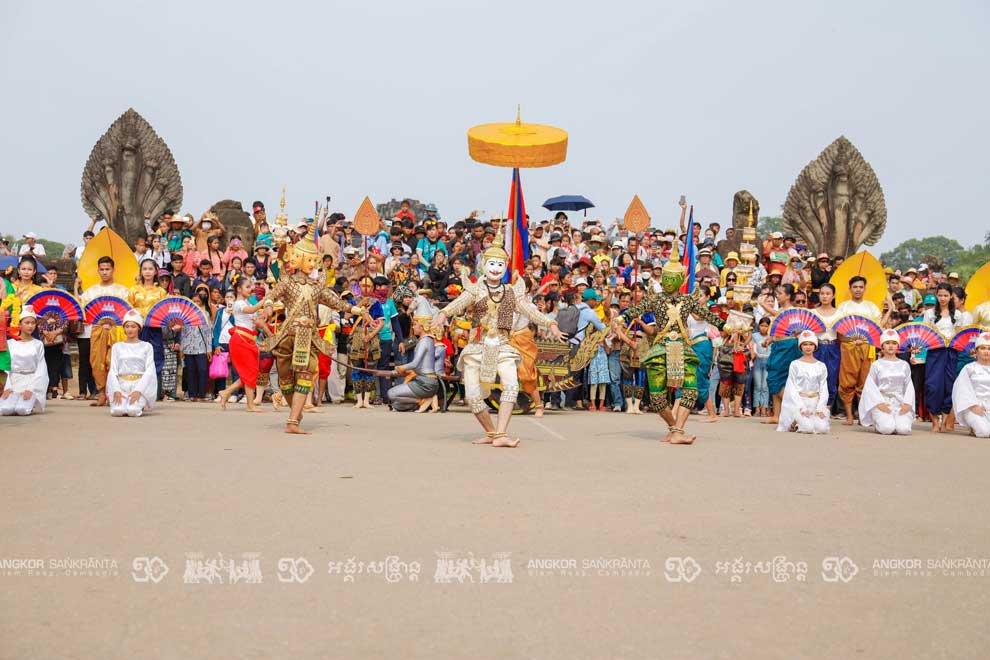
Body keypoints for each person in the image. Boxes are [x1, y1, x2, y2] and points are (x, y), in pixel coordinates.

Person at [431, 227, 563, 448]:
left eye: (500, 264)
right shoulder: (475, 290)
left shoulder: (511, 292)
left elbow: (530, 311)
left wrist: (551, 323)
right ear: (484, 265)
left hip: (503, 346)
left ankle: (502, 433)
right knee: (473, 397)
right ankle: (492, 433)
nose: (495, 268)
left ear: (505, 268)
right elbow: (459, 303)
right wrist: (443, 313)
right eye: (492, 263)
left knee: (511, 386)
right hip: (477, 346)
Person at [258, 217, 369, 434]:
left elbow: (336, 302)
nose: (312, 264)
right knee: (286, 380)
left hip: (307, 337)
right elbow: (271, 296)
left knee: (306, 374)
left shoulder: (317, 287)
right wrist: (268, 307)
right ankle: (294, 414)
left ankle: (292, 421)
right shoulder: (287, 282)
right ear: (298, 259)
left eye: (314, 261)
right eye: (309, 260)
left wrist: (358, 310)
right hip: (288, 334)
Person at [620, 242, 726, 445]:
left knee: (690, 390)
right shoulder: (655, 298)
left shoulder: (688, 300)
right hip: (661, 347)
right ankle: (674, 429)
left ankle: (677, 431)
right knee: (657, 395)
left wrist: (727, 326)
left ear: (680, 280)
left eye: (672, 278)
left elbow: (706, 315)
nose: (668, 282)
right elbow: (635, 310)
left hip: (684, 348)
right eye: (665, 278)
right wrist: (619, 319)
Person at [78, 256, 130, 406]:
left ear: (113, 270)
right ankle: (101, 393)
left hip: (117, 331)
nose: (105, 272)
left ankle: (114, 393)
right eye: (102, 269)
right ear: (98, 270)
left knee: (114, 362)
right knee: (97, 362)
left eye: (108, 269)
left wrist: (114, 324)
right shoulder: (91, 292)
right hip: (97, 331)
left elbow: (126, 312)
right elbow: (84, 312)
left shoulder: (122, 291)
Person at [836, 276, 883, 425]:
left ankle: (863, 416)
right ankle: (849, 416)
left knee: (865, 381)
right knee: (847, 380)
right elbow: (838, 330)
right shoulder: (843, 307)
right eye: (855, 287)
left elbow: (877, 327)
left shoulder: (871, 307)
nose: (858, 289)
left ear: (864, 288)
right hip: (848, 346)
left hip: (866, 346)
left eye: (861, 287)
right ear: (850, 289)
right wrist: (850, 340)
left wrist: (890, 310)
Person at [217, 273, 268, 412]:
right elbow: (251, 310)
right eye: (247, 286)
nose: (251, 289)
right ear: (239, 289)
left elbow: (255, 318)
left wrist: (264, 314)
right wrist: (264, 301)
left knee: (250, 372)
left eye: (251, 286)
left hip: (248, 339)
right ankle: (250, 405)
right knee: (249, 372)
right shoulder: (239, 303)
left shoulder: (246, 302)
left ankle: (226, 392)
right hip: (241, 340)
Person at [923, 282, 966, 432]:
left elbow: (960, 336)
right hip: (935, 352)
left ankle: (945, 420)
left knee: (949, 385)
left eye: (946, 295)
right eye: (940, 295)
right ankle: (934, 420)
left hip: (951, 353)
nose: (942, 298)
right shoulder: (929, 314)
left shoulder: (958, 315)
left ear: (950, 297)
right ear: (936, 295)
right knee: (932, 386)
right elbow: (925, 334)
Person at [859, 329, 915, 435]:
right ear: (882, 345)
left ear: (898, 346)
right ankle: (879, 421)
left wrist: (907, 403)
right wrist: (879, 403)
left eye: (894, 343)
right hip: (882, 401)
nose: (891, 346)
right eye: (887, 343)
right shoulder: (876, 364)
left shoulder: (904, 365)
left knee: (904, 430)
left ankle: (895, 420)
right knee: (887, 429)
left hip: (900, 401)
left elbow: (909, 386)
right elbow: (870, 387)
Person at [384, 315, 442, 412]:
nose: (413, 327)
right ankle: (423, 402)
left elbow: (415, 364)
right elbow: (419, 365)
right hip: (425, 380)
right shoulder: (427, 340)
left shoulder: (424, 341)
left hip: (425, 383)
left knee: (391, 394)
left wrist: (402, 367)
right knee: (397, 405)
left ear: (422, 327)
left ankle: (422, 401)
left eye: (415, 324)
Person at [106, 309, 157, 417]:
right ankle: (124, 401)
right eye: (127, 326)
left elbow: (150, 371)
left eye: (133, 326)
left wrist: (139, 390)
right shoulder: (117, 347)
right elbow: (113, 370)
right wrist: (116, 389)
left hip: (139, 384)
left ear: (139, 328)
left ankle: (139, 402)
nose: (130, 329)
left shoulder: (147, 346)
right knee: (117, 411)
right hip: (122, 385)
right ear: (123, 328)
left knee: (133, 411)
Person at [776, 330, 829, 434]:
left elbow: (824, 387)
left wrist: (820, 407)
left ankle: (807, 420)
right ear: (800, 346)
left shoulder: (821, 366)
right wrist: (801, 407)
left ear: (815, 346)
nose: (808, 347)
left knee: (822, 428)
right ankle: (795, 421)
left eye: (811, 344)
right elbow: (791, 388)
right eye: (805, 344)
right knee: (807, 428)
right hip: (799, 402)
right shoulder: (795, 364)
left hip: (815, 402)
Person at [0, 305, 48, 416]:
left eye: (33, 323)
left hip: (31, 381)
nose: (30, 326)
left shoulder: (38, 344)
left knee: (22, 410)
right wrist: (6, 387)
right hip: (13, 380)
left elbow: (41, 369)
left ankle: (29, 403)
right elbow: (5, 367)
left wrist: (31, 389)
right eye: (27, 323)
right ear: (19, 324)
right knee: (5, 410)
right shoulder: (10, 344)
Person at [952, 331, 990, 438]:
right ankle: (973, 425)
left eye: (989, 348)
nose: (986, 351)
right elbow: (962, 389)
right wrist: (973, 406)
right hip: (973, 407)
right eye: (982, 348)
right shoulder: (969, 368)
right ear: (976, 351)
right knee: (984, 432)